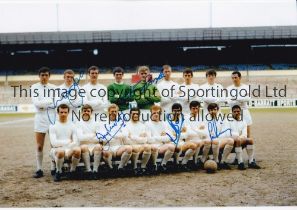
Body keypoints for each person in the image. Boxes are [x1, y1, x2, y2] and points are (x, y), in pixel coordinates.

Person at [31, 67, 57, 178]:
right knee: (39, 146)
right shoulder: (34, 87)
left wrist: (44, 104)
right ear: (39, 76)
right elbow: (37, 104)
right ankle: (39, 169)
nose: (44, 77)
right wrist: (50, 101)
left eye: (46, 75)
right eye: (42, 75)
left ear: (49, 76)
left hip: (52, 117)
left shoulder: (55, 88)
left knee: (54, 145)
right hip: (40, 118)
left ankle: (53, 167)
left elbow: (56, 103)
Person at [49, 104, 81, 182]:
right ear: (58, 113)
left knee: (77, 150)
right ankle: (58, 171)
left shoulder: (72, 125)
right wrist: (67, 142)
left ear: (68, 113)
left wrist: (70, 147)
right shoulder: (53, 126)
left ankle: (72, 171)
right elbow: (54, 143)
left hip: (69, 149)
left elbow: (75, 141)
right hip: (56, 150)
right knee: (60, 151)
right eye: (61, 112)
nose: (63, 114)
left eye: (65, 112)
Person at [97, 104, 132, 174]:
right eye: (112, 111)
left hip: (118, 147)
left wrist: (112, 136)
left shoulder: (121, 122)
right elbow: (101, 136)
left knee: (129, 148)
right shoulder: (102, 123)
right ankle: (110, 168)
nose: (113, 113)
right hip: (107, 147)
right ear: (108, 112)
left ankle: (120, 168)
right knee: (106, 152)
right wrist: (115, 136)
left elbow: (125, 134)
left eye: (115, 111)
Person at [225, 105, 261, 170]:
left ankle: (251, 161)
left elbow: (245, 134)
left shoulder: (243, 121)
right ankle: (240, 163)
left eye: (238, 111)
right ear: (232, 112)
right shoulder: (227, 120)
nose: (236, 113)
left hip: (239, 140)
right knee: (238, 139)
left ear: (240, 112)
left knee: (250, 140)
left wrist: (241, 137)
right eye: (234, 111)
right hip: (229, 141)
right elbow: (228, 133)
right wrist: (238, 137)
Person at [76, 104, 105, 178]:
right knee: (84, 147)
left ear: (91, 112)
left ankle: (95, 170)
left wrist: (88, 137)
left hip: (94, 145)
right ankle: (88, 170)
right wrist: (92, 135)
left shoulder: (96, 123)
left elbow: (100, 137)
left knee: (99, 146)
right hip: (84, 145)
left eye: (88, 111)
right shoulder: (78, 123)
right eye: (84, 111)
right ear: (81, 112)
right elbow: (80, 138)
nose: (86, 112)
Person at [166, 103, 197, 171]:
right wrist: (181, 132)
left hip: (181, 142)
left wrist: (177, 133)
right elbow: (170, 135)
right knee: (177, 146)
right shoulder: (168, 121)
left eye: (178, 110)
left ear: (181, 111)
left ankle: (183, 163)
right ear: (172, 111)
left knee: (194, 146)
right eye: (175, 110)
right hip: (171, 143)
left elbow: (187, 134)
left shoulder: (183, 121)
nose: (177, 112)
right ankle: (176, 163)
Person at [146, 105, 176, 172]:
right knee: (154, 147)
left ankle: (163, 164)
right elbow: (149, 140)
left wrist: (156, 137)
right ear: (151, 113)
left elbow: (170, 138)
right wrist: (162, 137)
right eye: (154, 113)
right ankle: (154, 165)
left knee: (172, 147)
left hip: (162, 146)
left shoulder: (164, 124)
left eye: (158, 113)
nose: (156, 114)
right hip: (152, 146)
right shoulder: (147, 124)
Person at [123, 107, 153, 175]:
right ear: (130, 114)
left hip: (141, 145)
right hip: (130, 146)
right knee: (135, 148)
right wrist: (139, 138)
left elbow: (145, 140)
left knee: (148, 147)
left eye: (137, 114)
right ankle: (134, 167)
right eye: (133, 114)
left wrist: (133, 137)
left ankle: (143, 167)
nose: (135, 115)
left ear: (139, 115)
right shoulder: (126, 125)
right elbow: (126, 140)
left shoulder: (143, 125)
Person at [206, 103, 234, 170]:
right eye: (211, 110)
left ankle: (222, 162)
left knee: (231, 141)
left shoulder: (222, 118)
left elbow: (226, 130)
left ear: (217, 110)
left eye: (215, 109)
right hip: (209, 140)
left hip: (220, 139)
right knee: (215, 141)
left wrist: (219, 138)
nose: (213, 111)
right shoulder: (205, 119)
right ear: (208, 111)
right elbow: (206, 132)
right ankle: (216, 161)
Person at [226, 71, 252, 138]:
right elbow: (229, 101)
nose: (234, 79)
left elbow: (247, 98)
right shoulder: (229, 88)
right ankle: (235, 147)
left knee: (247, 131)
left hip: (244, 111)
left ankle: (248, 147)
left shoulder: (246, 87)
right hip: (233, 111)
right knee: (233, 131)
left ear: (240, 78)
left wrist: (235, 98)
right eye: (232, 78)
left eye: (235, 77)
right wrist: (241, 99)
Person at [185, 101, 210, 168]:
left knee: (208, 141)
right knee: (198, 141)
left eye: (197, 108)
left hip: (200, 139)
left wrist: (195, 130)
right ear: (190, 109)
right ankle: (193, 162)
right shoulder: (186, 118)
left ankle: (202, 161)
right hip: (189, 140)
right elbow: (189, 132)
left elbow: (206, 132)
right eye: (193, 108)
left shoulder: (202, 118)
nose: (195, 110)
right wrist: (199, 130)